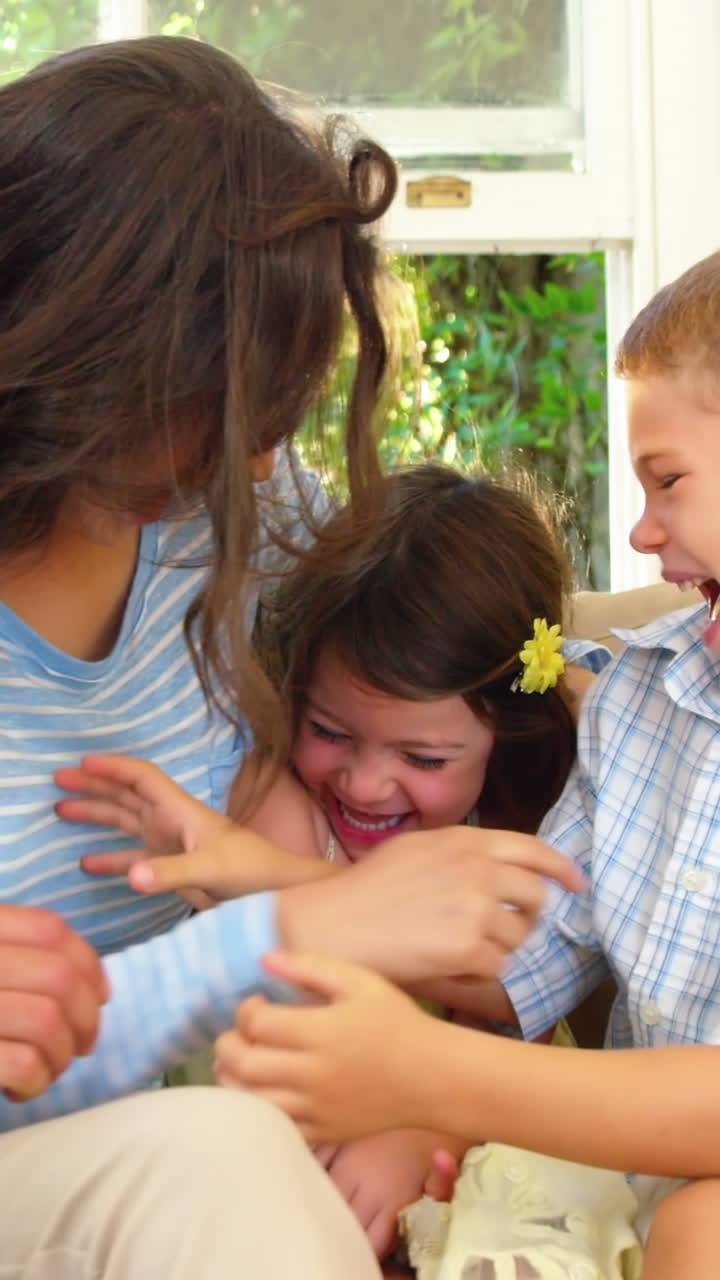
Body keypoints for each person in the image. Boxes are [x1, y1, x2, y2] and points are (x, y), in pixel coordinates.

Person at [0, 34, 580, 1279]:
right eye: (232, 406)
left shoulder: (227, 516)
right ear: (83, 368)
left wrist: (595, 696)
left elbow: (459, 629)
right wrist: (306, 925)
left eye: (281, 409)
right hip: (82, 1156)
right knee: (214, 1157)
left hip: (223, 1133)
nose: (266, 462)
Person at [212, 250, 720, 1279]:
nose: (642, 527)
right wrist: (255, 871)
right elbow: (520, 964)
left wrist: (424, 1077)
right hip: (626, 1175)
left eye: (669, 480)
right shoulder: (643, 702)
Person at [56, 462, 608, 1259]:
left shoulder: (518, 828)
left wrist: (422, 1129)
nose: (364, 782)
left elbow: (515, 1011)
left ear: (504, 737)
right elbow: (292, 1022)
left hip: (470, 1119)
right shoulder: (276, 808)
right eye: (331, 732)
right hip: (276, 1126)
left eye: (421, 757)